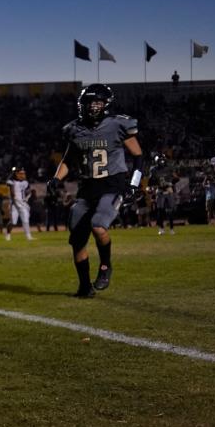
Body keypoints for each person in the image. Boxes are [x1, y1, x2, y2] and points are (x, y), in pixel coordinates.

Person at [47, 84, 145, 298]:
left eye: (98, 103)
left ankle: (105, 266)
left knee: (98, 226)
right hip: (86, 188)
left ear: (106, 105)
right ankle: (84, 287)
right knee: (77, 240)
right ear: (82, 105)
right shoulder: (74, 129)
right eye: (90, 103)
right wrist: (56, 178)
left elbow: (138, 156)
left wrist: (134, 184)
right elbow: (68, 159)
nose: (93, 107)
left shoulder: (118, 124)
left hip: (112, 184)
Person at [5, 167, 33, 241]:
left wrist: (27, 197)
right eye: (21, 173)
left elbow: (29, 191)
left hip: (22, 203)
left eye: (23, 173)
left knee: (25, 220)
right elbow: (12, 193)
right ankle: (8, 234)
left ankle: (28, 236)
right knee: (13, 222)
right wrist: (15, 202)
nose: (23, 175)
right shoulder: (11, 181)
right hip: (14, 203)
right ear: (16, 174)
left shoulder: (25, 182)